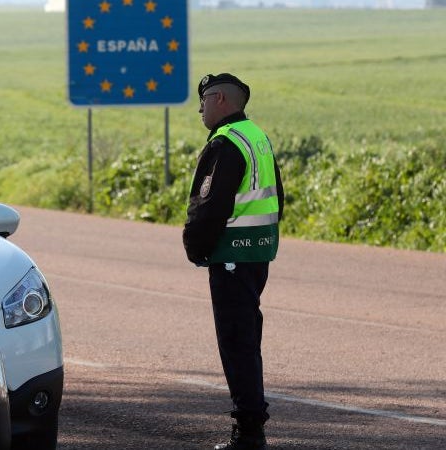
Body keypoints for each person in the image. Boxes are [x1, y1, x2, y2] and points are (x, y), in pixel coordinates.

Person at [183, 73, 284, 450]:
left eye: (204, 100)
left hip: (232, 255)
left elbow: (210, 206)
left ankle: (249, 432)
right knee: (247, 337)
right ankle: (250, 424)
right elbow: (278, 197)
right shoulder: (256, 136)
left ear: (221, 100)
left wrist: (196, 248)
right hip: (258, 252)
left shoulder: (225, 143)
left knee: (237, 341)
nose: (199, 109)